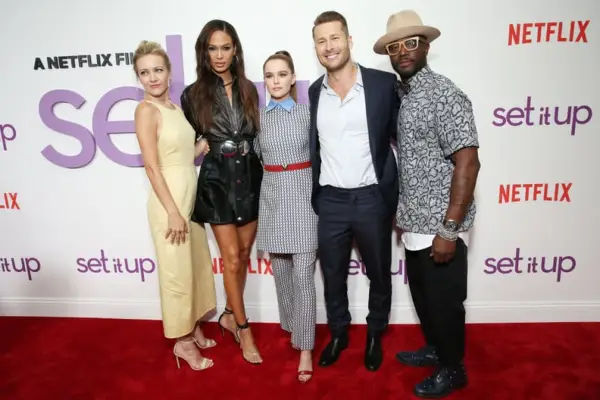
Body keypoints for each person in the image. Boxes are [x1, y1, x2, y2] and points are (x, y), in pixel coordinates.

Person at [373, 10, 481, 398]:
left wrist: (449, 229)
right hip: (414, 223)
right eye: (395, 46)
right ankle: (437, 348)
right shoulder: (403, 96)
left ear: (426, 47)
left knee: (445, 302)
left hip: (439, 224)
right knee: (424, 296)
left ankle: (453, 370)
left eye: (411, 43)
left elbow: (468, 163)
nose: (403, 51)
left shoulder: (445, 95)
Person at [308, 11, 400, 372]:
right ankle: (338, 334)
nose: (328, 46)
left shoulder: (382, 84)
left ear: (349, 41)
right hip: (330, 200)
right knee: (332, 276)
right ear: (315, 47)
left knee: (379, 273)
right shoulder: (315, 92)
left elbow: (402, 138)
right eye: (321, 40)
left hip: (371, 198)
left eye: (335, 38)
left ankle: (375, 334)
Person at [180, 20, 263, 364]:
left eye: (225, 47)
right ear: (203, 52)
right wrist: (197, 149)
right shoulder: (192, 94)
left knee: (243, 253)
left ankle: (229, 314)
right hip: (216, 180)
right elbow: (186, 143)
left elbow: (256, 135)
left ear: (235, 50)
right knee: (230, 256)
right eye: (212, 48)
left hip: (250, 175)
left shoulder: (249, 89)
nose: (219, 55)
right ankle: (244, 329)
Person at [133, 40, 217, 371]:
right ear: (138, 77)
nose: (152, 77)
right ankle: (183, 344)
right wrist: (172, 211)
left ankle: (193, 327)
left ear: (169, 72)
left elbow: (178, 156)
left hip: (189, 199)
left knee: (193, 267)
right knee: (176, 275)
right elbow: (152, 166)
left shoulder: (173, 108)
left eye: (158, 70)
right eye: (144, 72)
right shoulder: (146, 110)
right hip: (169, 204)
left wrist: (200, 147)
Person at [255, 51, 318, 383]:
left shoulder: (308, 113)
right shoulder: (258, 119)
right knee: (281, 274)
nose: (276, 81)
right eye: (270, 75)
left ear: (293, 78)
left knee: (303, 278)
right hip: (272, 201)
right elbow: (255, 158)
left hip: (304, 201)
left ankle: (306, 348)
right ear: (264, 81)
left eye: (282, 74)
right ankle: (294, 327)